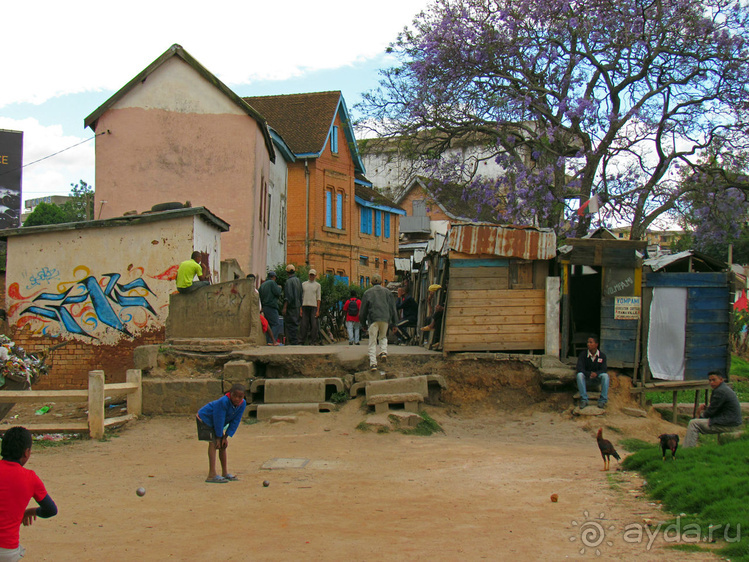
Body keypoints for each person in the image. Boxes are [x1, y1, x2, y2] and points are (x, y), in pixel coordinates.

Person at [0, 426, 58, 561]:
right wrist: (30, 512)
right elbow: (51, 510)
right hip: (6, 550)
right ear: (26, 452)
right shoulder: (30, 478)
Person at [196, 384, 247, 483]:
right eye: (234, 396)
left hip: (216, 423)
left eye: (240, 397)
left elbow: (236, 421)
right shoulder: (223, 402)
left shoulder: (242, 404)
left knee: (223, 445)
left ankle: (225, 473)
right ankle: (211, 475)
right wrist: (219, 437)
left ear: (243, 397)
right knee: (213, 443)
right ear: (230, 394)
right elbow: (219, 419)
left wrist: (225, 437)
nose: (237, 399)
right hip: (205, 418)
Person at [683, 371, 743, 448]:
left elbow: (711, 412)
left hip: (729, 423)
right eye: (710, 380)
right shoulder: (724, 389)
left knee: (693, 423)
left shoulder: (720, 391)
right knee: (696, 422)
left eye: (714, 380)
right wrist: (706, 409)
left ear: (721, 380)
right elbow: (716, 408)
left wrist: (699, 416)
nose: (711, 382)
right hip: (732, 421)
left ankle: (688, 450)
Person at [359, 274, 398, 370]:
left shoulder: (367, 293)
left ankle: (373, 363)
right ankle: (384, 352)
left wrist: (363, 324)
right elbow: (393, 308)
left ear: (371, 282)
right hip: (385, 319)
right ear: (381, 282)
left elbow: (363, 311)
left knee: (372, 341)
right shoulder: (387, 292)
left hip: (373, 319)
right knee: (383, 336)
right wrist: (394, 323)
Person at [575, 335, 610, 409]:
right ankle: (584, 399)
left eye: (591, 342)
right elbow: (579, 368)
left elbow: (604, 369)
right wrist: (589, 374)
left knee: (605, 376)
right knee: (579, 375)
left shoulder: (602, 356)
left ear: (596, 344)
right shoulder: (583, 355)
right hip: (586, 379)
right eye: (588, 342)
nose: (588, 344)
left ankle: (602, 400)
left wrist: (596, 374)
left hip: (597, 379)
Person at [300, 269, 322, 345]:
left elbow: (318, 298)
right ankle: (302, 341)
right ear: (308, 275)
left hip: (313, 306)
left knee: (314, 325)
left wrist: (318, 310)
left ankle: (313, 341)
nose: (311, 276)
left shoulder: (317, 285)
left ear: (315, 276)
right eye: (310, 275)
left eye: (313, 275)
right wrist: (300, 309)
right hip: (305, 306)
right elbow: (301, 297)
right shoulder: (304, 284)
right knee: (304, 324)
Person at [259, 271, 282, 341]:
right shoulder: (272, 283)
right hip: (271, 306)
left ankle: (268, 340)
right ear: (274, 277)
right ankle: (272, 340)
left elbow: (259, 296)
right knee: (276, 324)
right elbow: (277, 293)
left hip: (265, 307)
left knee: (268, 325)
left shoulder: (262, 285)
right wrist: (279, 288)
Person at [283, 264, 302, 345]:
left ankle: (293, 342)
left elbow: (288, 296)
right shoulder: (298, 281)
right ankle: (295, 341)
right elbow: (301, 294)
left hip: (291, 307)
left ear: (287, 272)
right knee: (296, 324)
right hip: (297, 306)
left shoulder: (288, 282)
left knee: (291, 325)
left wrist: (284, 307)